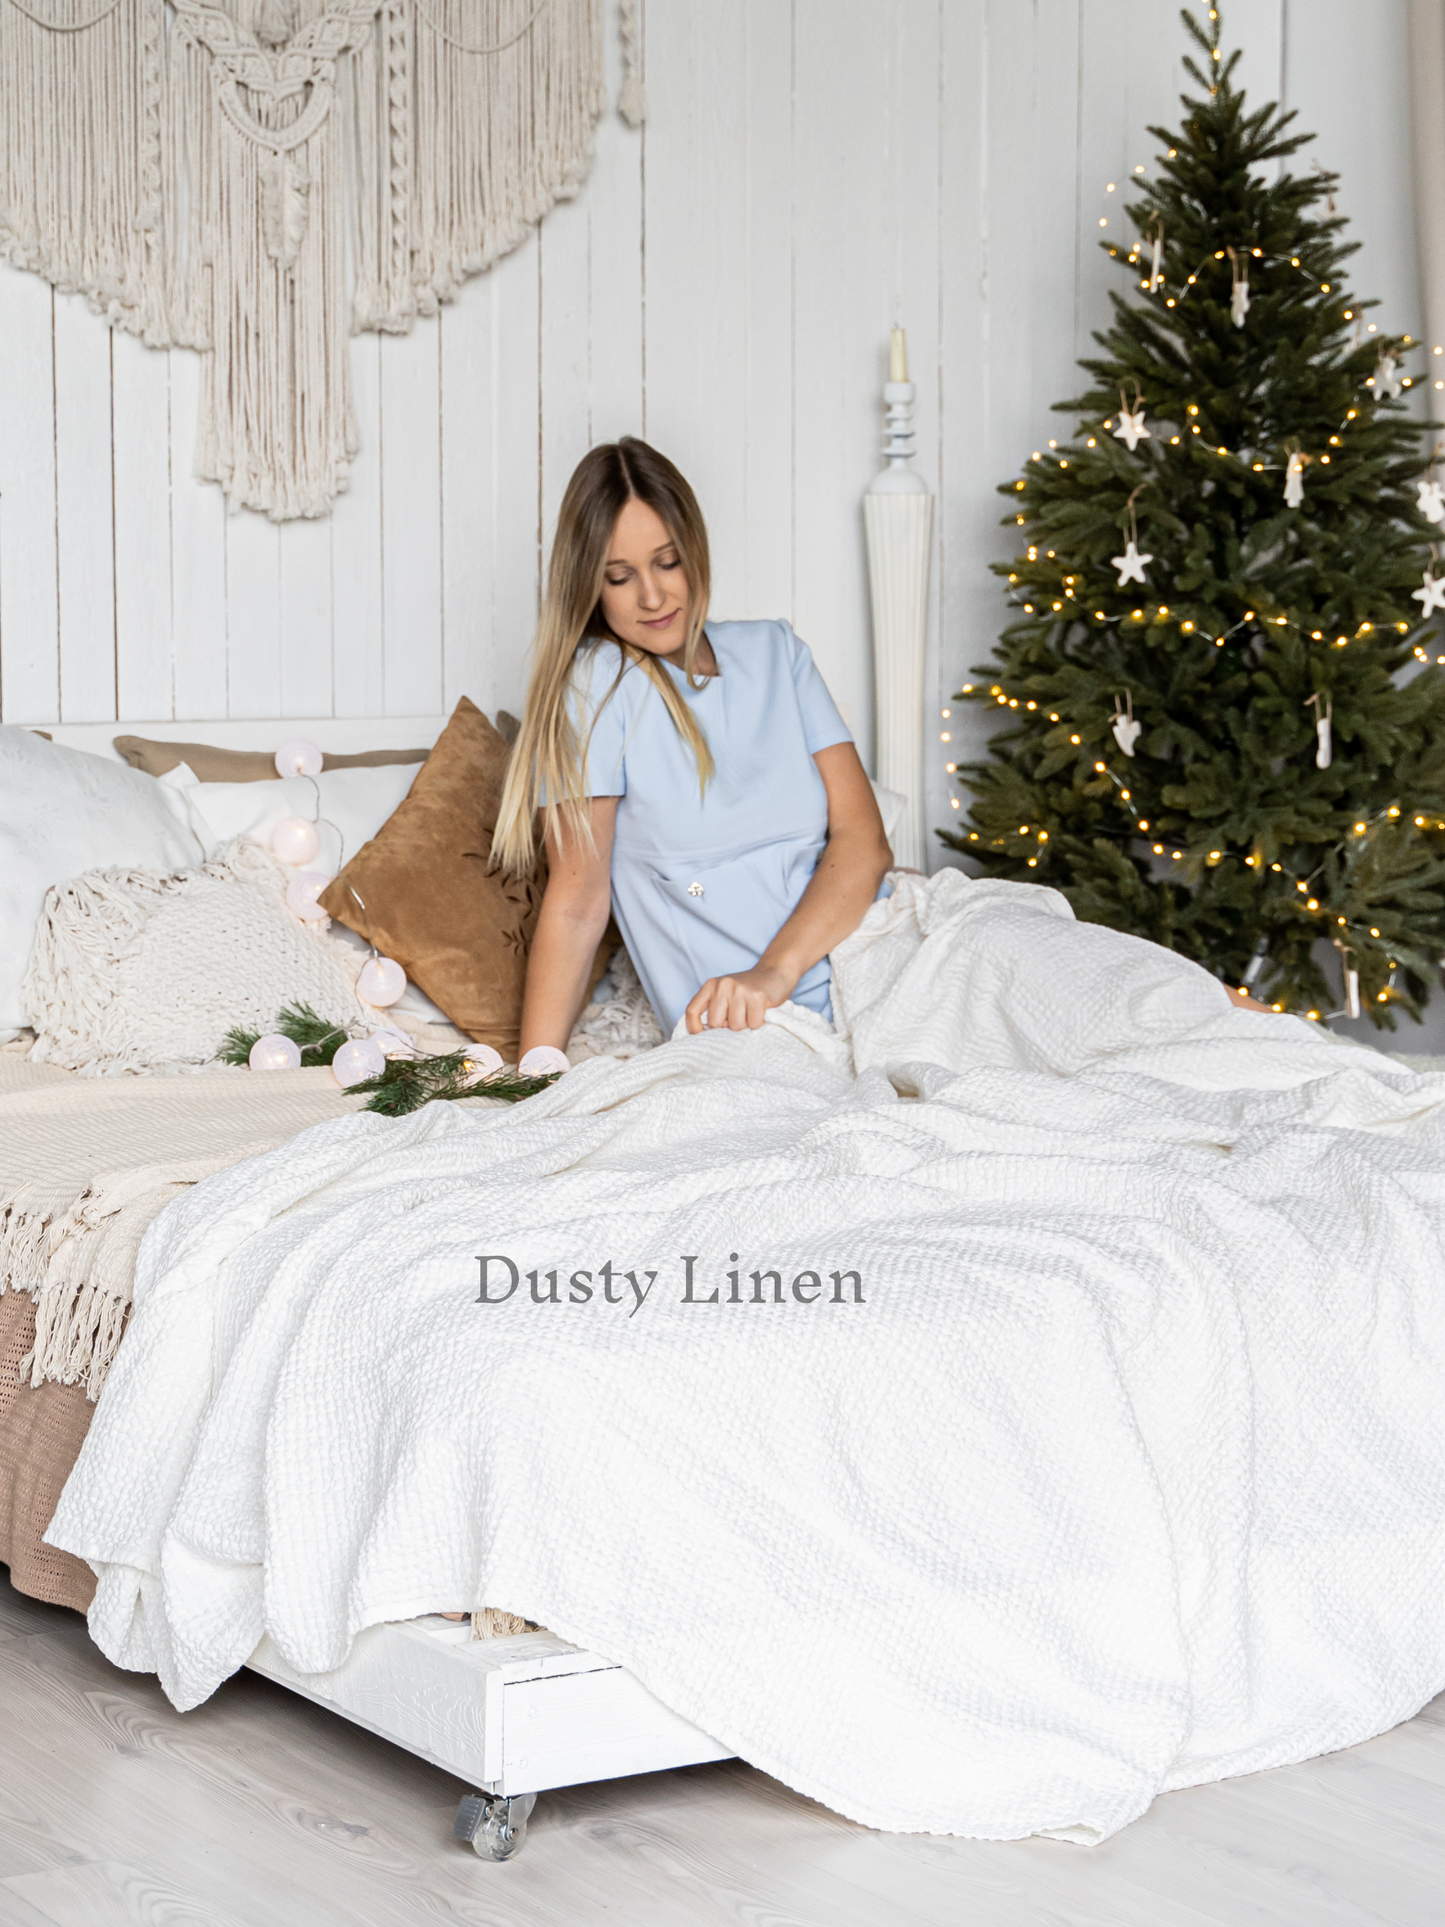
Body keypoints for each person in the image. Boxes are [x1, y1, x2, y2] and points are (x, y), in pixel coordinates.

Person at [493, 437, 893, 1057]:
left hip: (885, 955)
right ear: (589, 587)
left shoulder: (776, 652)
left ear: (696, 551)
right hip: (762, 1033)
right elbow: (578, 900)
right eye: (619, 577)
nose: (651, 597)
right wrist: (534, 1076)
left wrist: (774, 972)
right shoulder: (596, 685)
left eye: (668, 562)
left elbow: (864, 844)